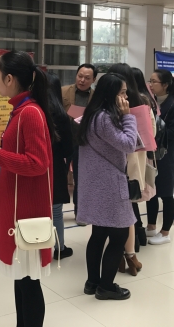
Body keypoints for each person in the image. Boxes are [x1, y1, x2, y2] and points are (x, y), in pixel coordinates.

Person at [0, 51, 55, 327]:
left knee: (29, 284)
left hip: (27, 214)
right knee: (23, 281)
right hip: (18, 209)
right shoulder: (21, 110)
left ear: (9, 78)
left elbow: (37, 163)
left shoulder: (29, 113)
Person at [76, 73, 137, 301]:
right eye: (122, 93)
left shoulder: (92, 114)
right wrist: (128, 117)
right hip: (109, 186)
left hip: (97, 185)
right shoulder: (104, 118)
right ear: (111, 94)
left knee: (99, 234)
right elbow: (128, 144)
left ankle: (92, 282)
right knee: (119, 235)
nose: (125, 97)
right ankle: (106, 286)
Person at [108, 64, 148, 275]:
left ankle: (128, 255)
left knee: (125, 212)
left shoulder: (131, 105)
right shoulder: (142, 101)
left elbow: (133, 138)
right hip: (132, 162)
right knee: (127, 210)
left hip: (125, 162)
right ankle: (127, 255)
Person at [146, 69, 174, 245]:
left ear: (165, 85)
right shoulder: (151, 103)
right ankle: (151, 226)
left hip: (166, 156)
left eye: (154, 81)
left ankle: (165, 232)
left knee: (166, 194)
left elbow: (173, 134)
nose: (151, 85)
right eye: (150, 81)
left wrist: (155, 126)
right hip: (151, 153)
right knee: (151, 192)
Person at [61, 63, 96, 225]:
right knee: (59, 177)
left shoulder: (96, 97)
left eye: (87, 78)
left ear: (93, 80)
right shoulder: (63, 91)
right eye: (80, 76)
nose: (82, 80)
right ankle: (55, 212)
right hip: (64, 141)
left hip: (84, 143)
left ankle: (80, 212)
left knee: (81, 179)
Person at [46, 72, 74, 260]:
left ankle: (37, 246)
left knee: (37, 210)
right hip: (55, 166)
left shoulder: (32, 110)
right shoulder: (62, 115)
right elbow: (68, 149)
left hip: (34, 167)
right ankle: (59, 248)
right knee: (56, 211)